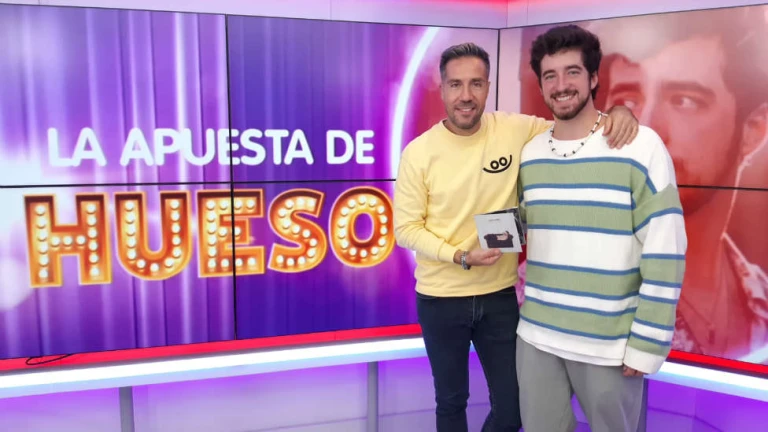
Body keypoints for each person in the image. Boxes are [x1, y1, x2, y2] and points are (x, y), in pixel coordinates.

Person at [393, 42, 639, 432]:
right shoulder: (418, 153)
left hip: (499, 297)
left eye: (476, 84)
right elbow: (406, 228)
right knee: (451, 401)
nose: (466, 95)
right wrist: (460, 256)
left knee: (514, 409)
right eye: (456, 85)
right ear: (442, 89)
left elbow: (573, 124)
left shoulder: (514, 129)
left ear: (488, 87)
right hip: (440, 299)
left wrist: (618, 113)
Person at [515, 25, 688, 432]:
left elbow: (665, 251)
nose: (561, 85)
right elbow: (525, 228)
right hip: (537, 336)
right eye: (550, 75)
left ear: (594, 78)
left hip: (609, 346)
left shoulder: (640, 146)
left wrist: (647, 344)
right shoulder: (531, 153)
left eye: (572, 72)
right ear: (540, 85)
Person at [590, 7, 768, 361]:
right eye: (627, 101)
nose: (646, 130)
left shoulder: (760, 299)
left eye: (685, 101)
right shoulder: (565, 281)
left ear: (753, 130)